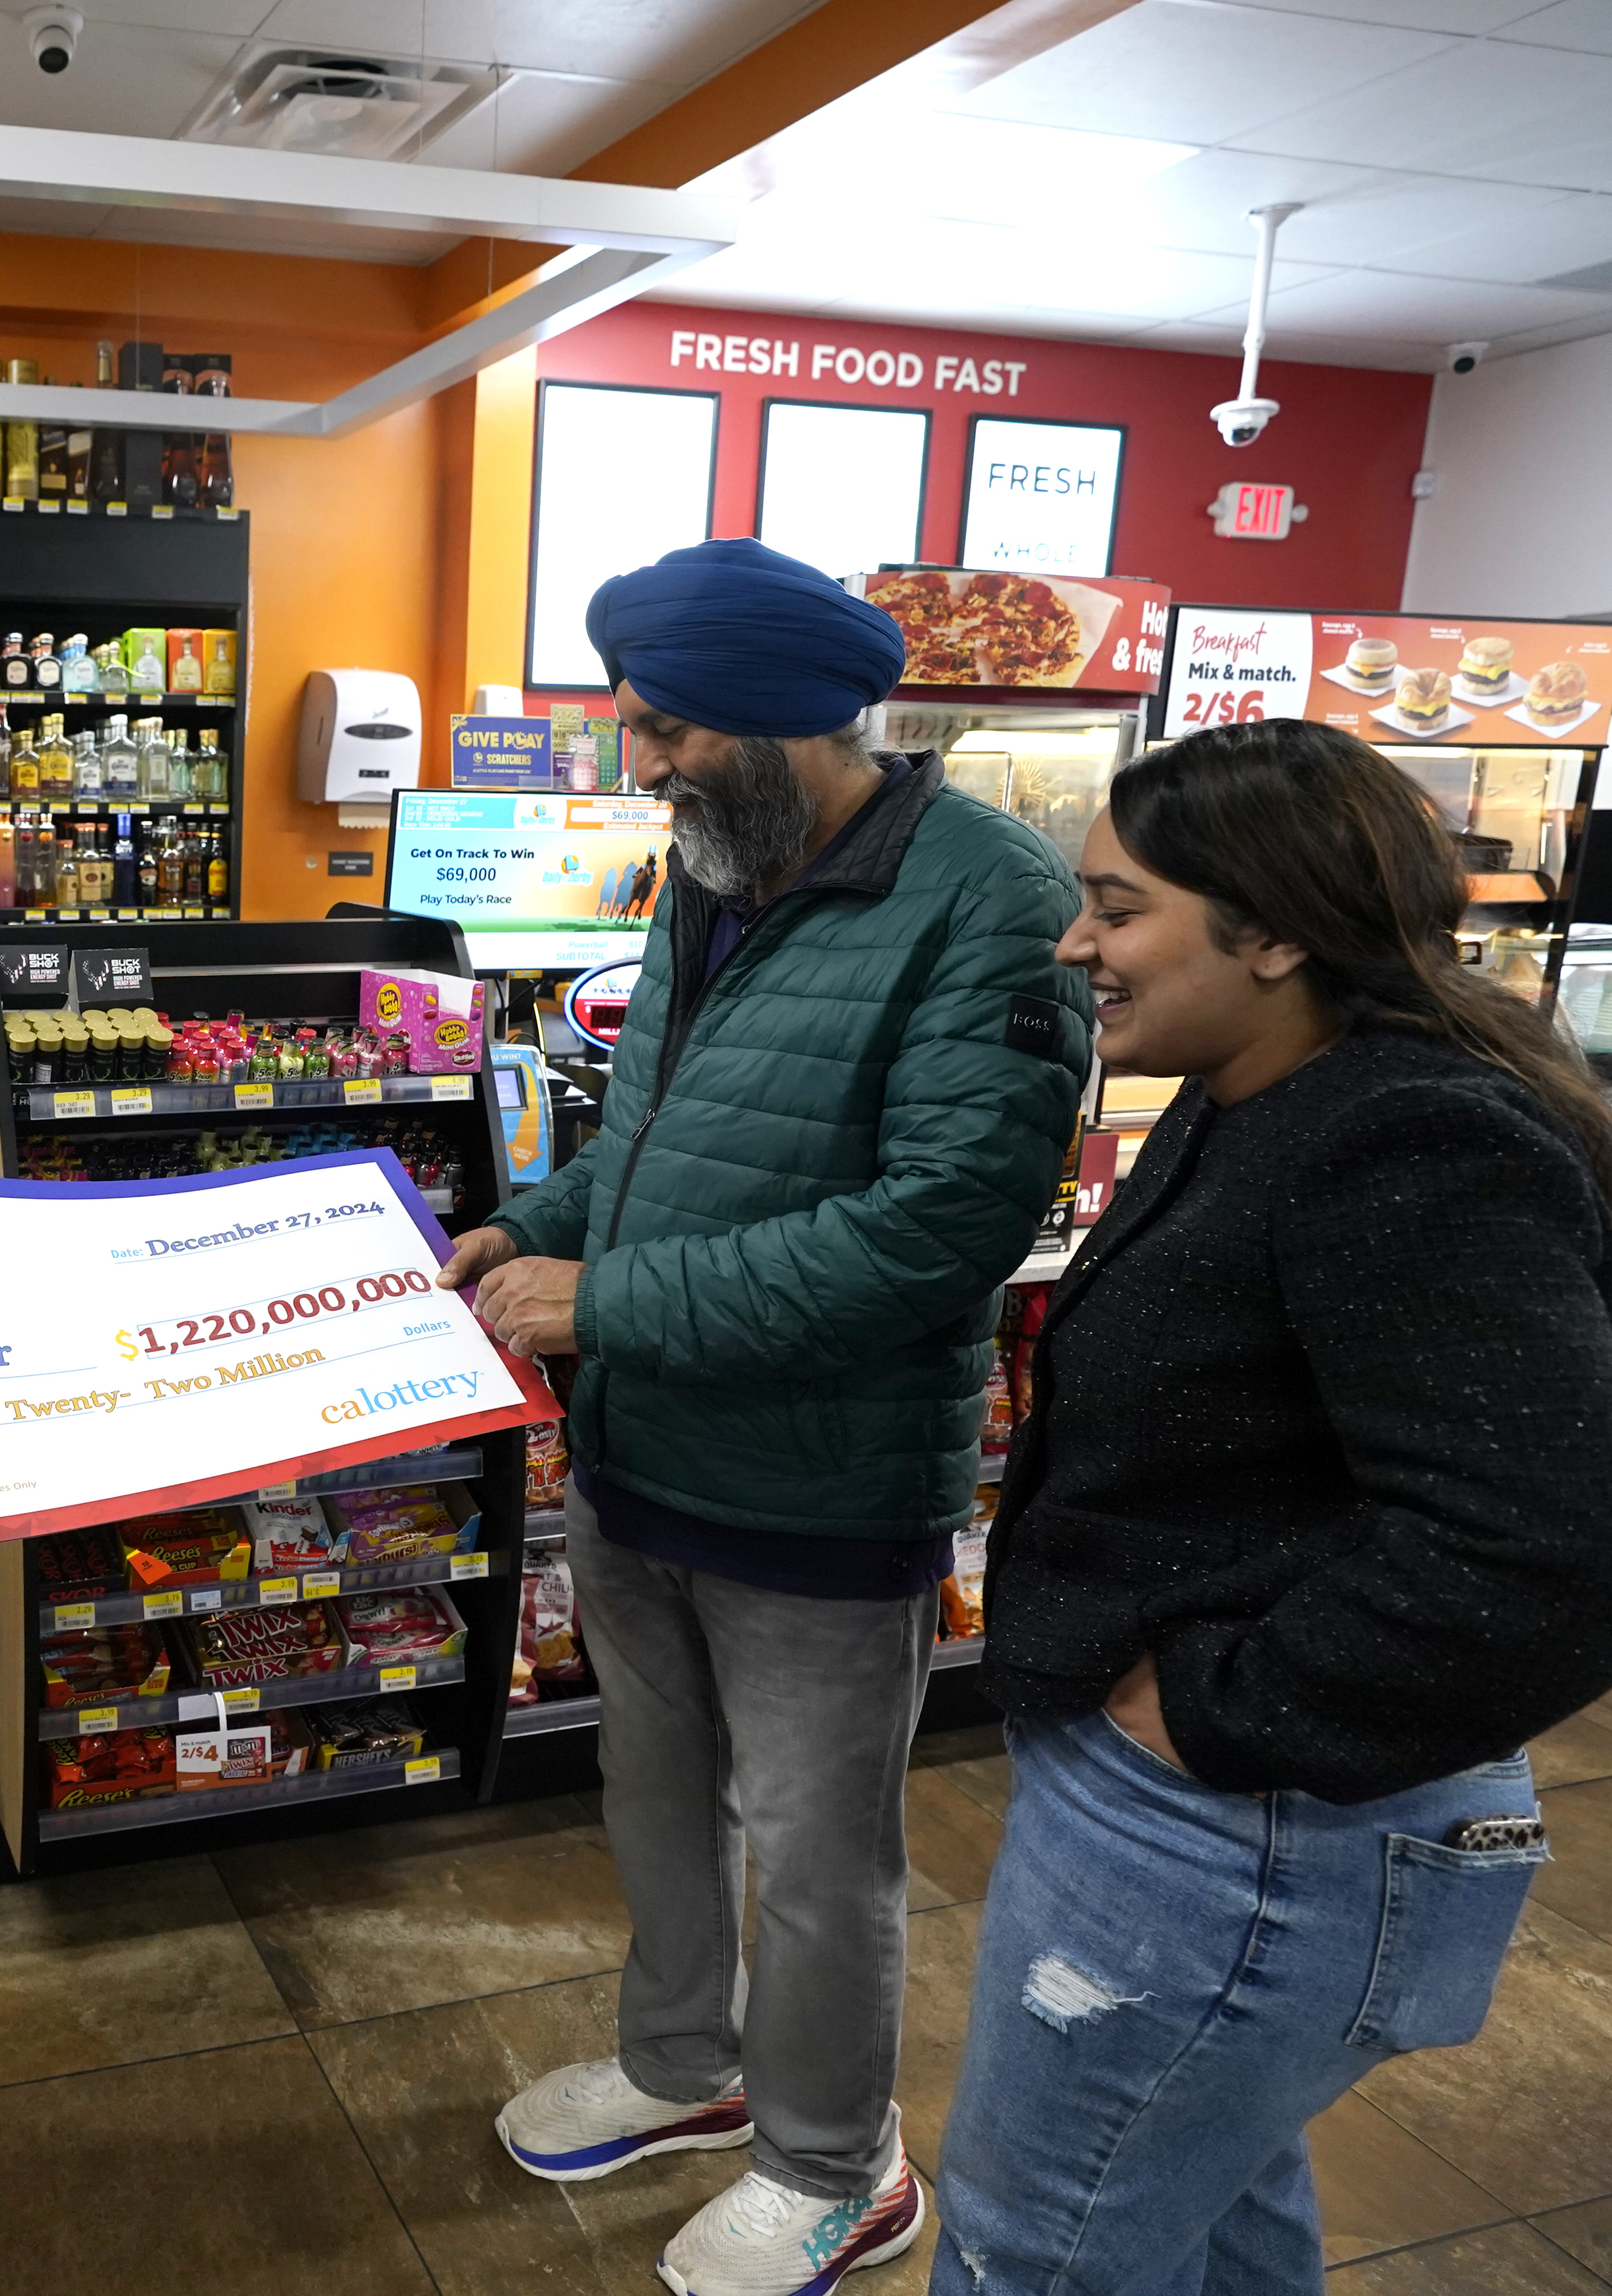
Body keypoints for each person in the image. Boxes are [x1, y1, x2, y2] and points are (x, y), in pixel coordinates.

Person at [931, 721, 1612, 2295]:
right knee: (1208, 2228)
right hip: (1214, 1831)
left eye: (1119, 907)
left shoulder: (1400, 1133)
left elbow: (1568, 1562)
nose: (1078, 942)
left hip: (1235, 1839)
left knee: (1035, 2255)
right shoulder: (1256, 1090)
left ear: (1271, 932)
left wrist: (1213, 1710)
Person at [448, 538, 1090, 2296]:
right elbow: (655, 1128)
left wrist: (613, 1302)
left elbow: (937, 1225)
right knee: (649, 1788)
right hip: (644, 1452)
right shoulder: (707, 864)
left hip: (818, 1481)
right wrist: (542, 1223)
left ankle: (835, 2163)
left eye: (660, 729)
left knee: (820, 1858)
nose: (636, 762)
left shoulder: (988, 898)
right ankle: (682, 2065)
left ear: (787, 726)